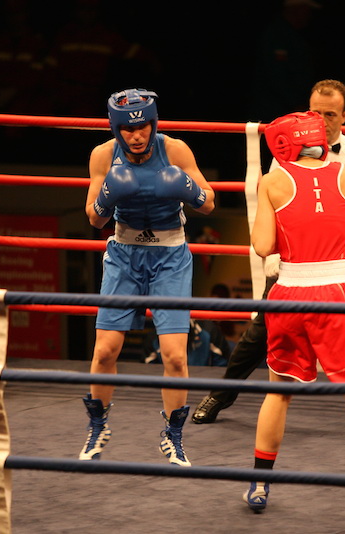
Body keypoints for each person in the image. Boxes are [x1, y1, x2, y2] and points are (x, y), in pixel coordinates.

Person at [242, 111, 345, 525]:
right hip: (338, 292)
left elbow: (263, 245)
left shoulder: (273, 182)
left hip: (288, 295)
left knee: (278, 391)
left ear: (281, 144)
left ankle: (259, 485)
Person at [193, 79, 345, 428]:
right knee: (259, 332)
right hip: (296, 255)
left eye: (330, 113)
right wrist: (275, 258)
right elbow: (275, 204)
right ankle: (219, 395)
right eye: (316, 111)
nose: (322, 119)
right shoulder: (285, 153)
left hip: (341, 254)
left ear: (344, 116)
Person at [79, 89, 215, 467]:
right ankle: (97, 425)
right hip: (124, 253)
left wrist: (186, 189)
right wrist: (109, 195)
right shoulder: (104, 155)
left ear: (153, 124)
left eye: (143, 127)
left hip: (171, 254)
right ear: (116, 128)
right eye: (128, 129)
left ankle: (173, 437)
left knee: (174, 357)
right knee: (105, 349)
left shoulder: (176, 150)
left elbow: (210, 201)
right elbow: (94, 217)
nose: (137, 135)